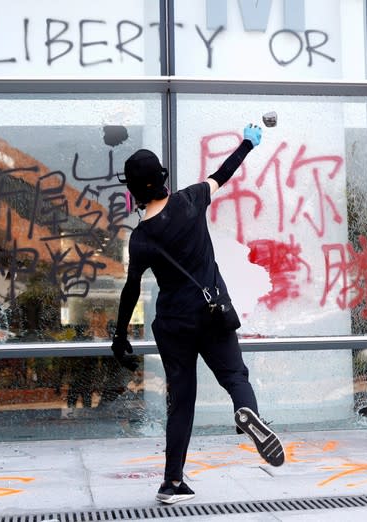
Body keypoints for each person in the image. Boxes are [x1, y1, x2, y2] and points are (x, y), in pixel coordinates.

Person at [110, 123, 284, 505]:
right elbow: (223, 173)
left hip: (173, 325)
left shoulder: (139, 240)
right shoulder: (189, 201)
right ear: (162, 181)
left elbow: (131, 290)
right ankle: (246, 412)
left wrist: (120, 335)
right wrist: (248, 143)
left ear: (134, 191)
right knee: (235, 375)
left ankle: (172, 483)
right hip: (211, 312)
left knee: (181, 400)